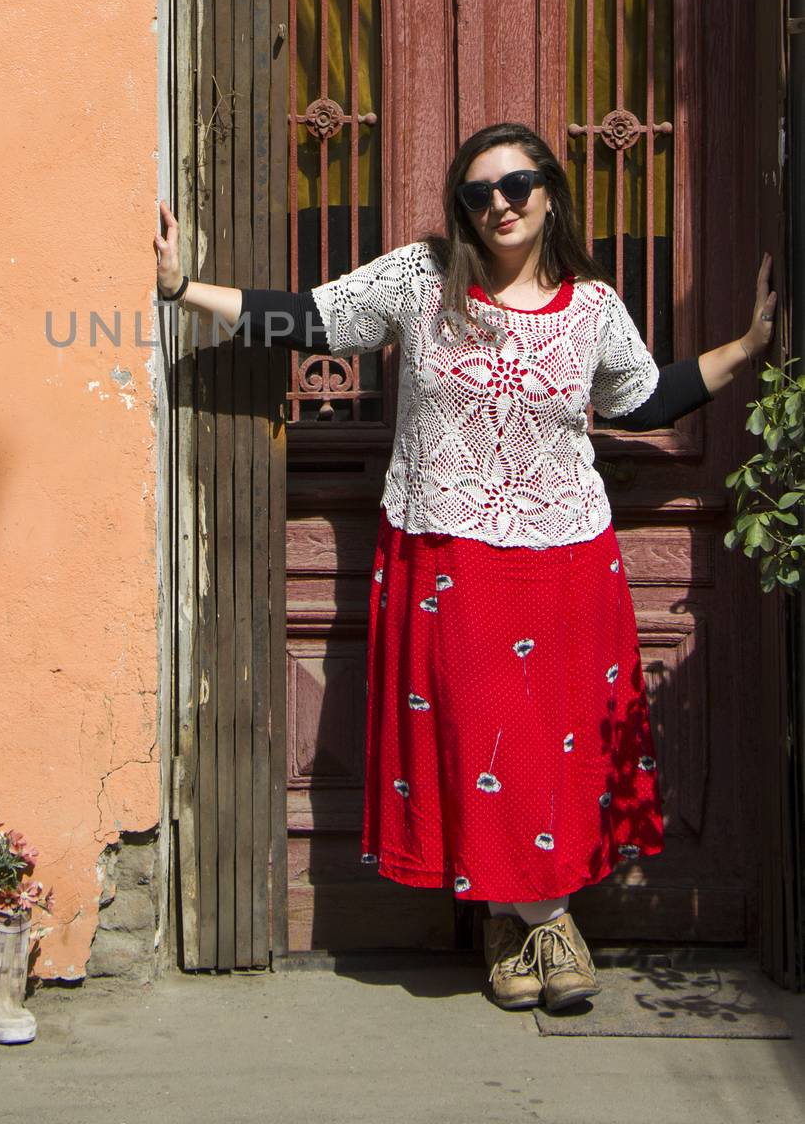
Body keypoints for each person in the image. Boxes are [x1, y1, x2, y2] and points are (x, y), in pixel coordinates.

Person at [153, 121, 777, 1012]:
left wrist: (746, 347)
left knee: (551, 754)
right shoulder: (419, 281)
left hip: (566, 557)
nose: (499, 205)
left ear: (550, 193)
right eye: (479, 193)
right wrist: (184, 289)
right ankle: (552, 926)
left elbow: (642, 399)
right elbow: (311, 316)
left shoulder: (593, 308)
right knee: (483, 742)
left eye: (516, 185)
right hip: (451, 553)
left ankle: (505, 931)